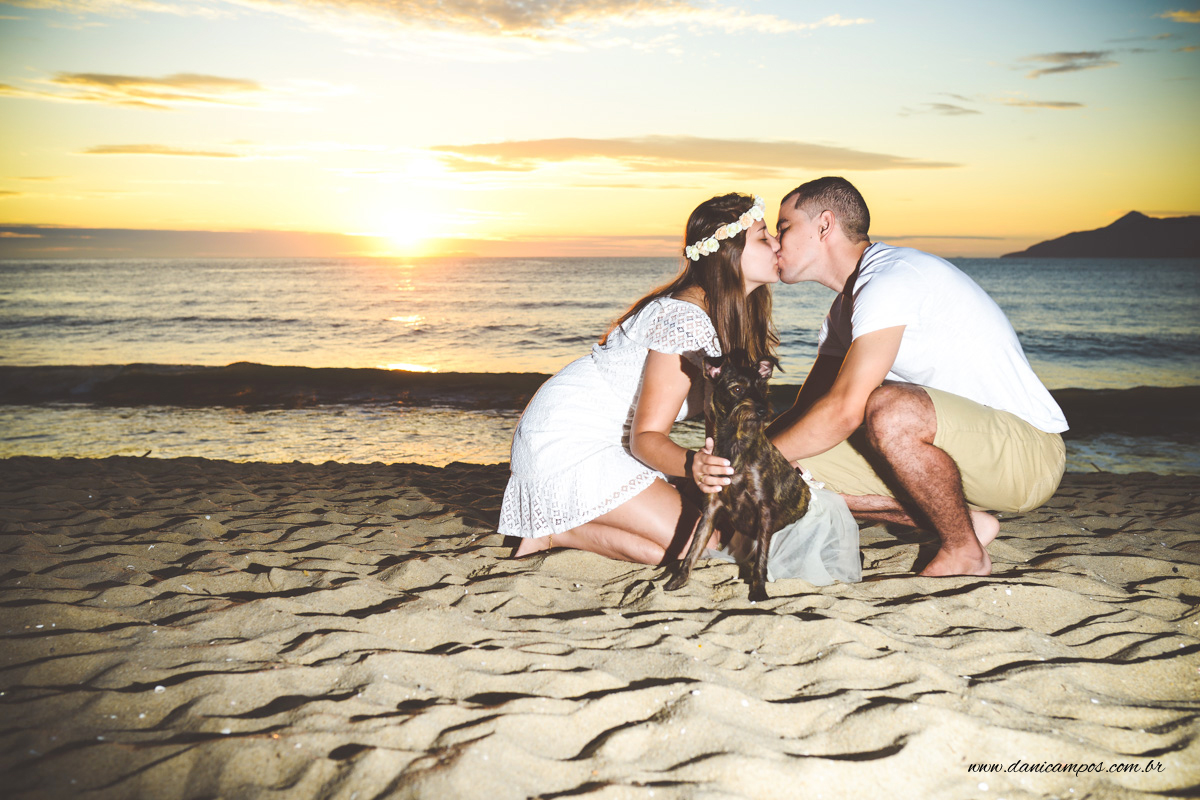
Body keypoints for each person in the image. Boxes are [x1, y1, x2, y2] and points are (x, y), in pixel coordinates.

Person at [767, 177, 1068, 577]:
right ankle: (964, 525)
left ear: (824, 225)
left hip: (1027, 455)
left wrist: (752, 460)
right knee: (783, 470)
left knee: (889, 410)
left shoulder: (890, 278)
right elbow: (810, 411)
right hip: (955, 459)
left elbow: (843, 411)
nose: (775, 242)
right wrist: (741, 459)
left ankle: (964, 552)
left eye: (783, 228)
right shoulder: (843, 311)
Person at [499, 193, 779, 564]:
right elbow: (645, 438)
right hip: (569, 439)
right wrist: (693, 466)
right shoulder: (685, 320)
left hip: (612, 439)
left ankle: (565, 527)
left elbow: (722, 434)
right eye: (764, 237)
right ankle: (556, 531)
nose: (777, 243)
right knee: (704, 545)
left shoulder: (727, 319)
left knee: (716, 537)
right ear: (728, 253)